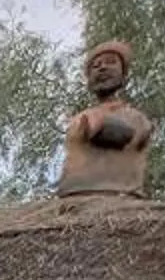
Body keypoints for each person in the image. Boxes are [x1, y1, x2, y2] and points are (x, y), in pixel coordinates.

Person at [57, 38, 154, 198]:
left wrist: (94, 125)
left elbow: (123, 134)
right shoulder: (80, 117)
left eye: (111, 62)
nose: (102, 68)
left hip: (116, 196)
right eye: (95, 66)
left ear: (124, 76)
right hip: (72, 197)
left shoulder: (136, 118)